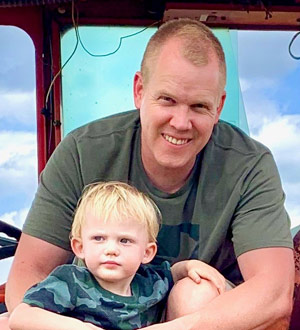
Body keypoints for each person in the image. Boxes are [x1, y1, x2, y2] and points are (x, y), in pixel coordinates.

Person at [4, 18, 294, 329]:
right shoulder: (81, 152)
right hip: (94, 318)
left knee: (195, 292)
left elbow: (273, 293)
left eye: (198, 106)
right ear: (140, 90)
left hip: (199, 319)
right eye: (167, 100)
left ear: (219, 106)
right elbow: (28, 275)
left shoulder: (249, 164)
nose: (181, 123)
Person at [9, 181, 226, 330]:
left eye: (125, 241)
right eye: (99, 239)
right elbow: (21, 316)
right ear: (79, 247)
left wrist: (189, 266)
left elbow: (173, 274)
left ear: (147, 252)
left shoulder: (150, 283)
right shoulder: (71, 282)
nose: (111, 249)